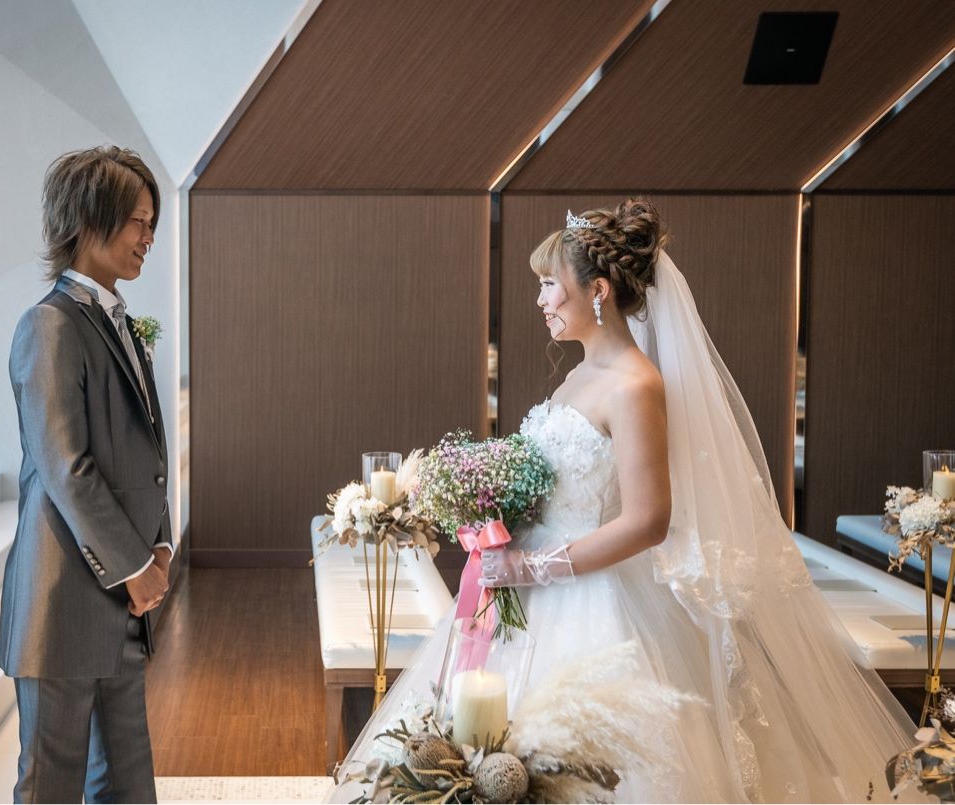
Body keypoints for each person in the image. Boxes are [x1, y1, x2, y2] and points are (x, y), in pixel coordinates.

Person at [336, 199, 916, 802]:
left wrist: (533, 565)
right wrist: (496, 509)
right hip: (524, 588)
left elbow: (648, 520)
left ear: (598, 291)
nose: (540, 300)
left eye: (549, 285)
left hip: (593, 595)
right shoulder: (577, 376)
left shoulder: (636, 386)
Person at [0, 146, 173, 803]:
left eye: (151, 223)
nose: (148, 237)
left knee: (128, 787)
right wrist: (135, 565)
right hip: (65, 604)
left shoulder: (117, 320)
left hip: (121, 602)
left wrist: (159, 544)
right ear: (88, 220)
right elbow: (66, 467)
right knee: (52, 787)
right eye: (137, 222)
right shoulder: (49, 326)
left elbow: (144, 453)